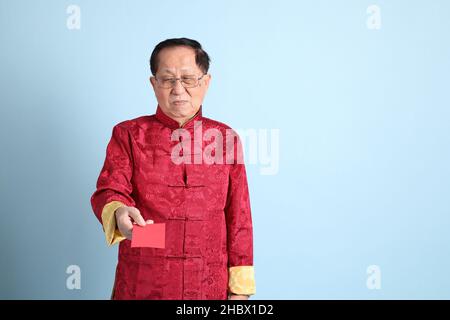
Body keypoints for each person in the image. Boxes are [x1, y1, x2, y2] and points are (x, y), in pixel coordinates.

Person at [90, 38, 255, 300]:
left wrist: (240, 291)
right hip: (143, 282)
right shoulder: (129, 135)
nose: (178, 90)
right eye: (167, 79)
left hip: (207, 286)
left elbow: (239, 218)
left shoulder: (226, 139)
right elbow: (110, 190)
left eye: (188, 78)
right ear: (153, 84)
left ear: (206, 82)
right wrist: (120, 212)